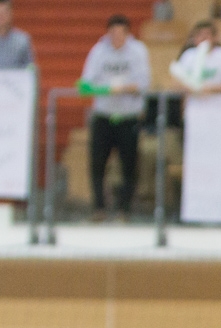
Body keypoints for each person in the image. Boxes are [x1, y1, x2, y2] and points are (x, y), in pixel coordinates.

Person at [80, 15, 151, 223]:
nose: (116, 38)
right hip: (104, 115)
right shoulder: (98, 51)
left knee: (129, 164)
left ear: (128, 34)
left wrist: (123, 88)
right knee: (97, 163)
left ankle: (124, 209)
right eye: (113, 34)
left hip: (128, 117)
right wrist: (107, 89)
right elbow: (86, 83)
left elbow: (143, 82)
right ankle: (99, 207)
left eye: (121, 34)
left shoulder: (138, 51)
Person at [170, 22, 221, 93]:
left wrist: (214, 89)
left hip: (219, 97)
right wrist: (192, 89)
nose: (203, 38)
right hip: (192, 97)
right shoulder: (188, 55)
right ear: (194, 38)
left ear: (215, 37)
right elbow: (176, 80)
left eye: (207, 34)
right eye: (200, 34)